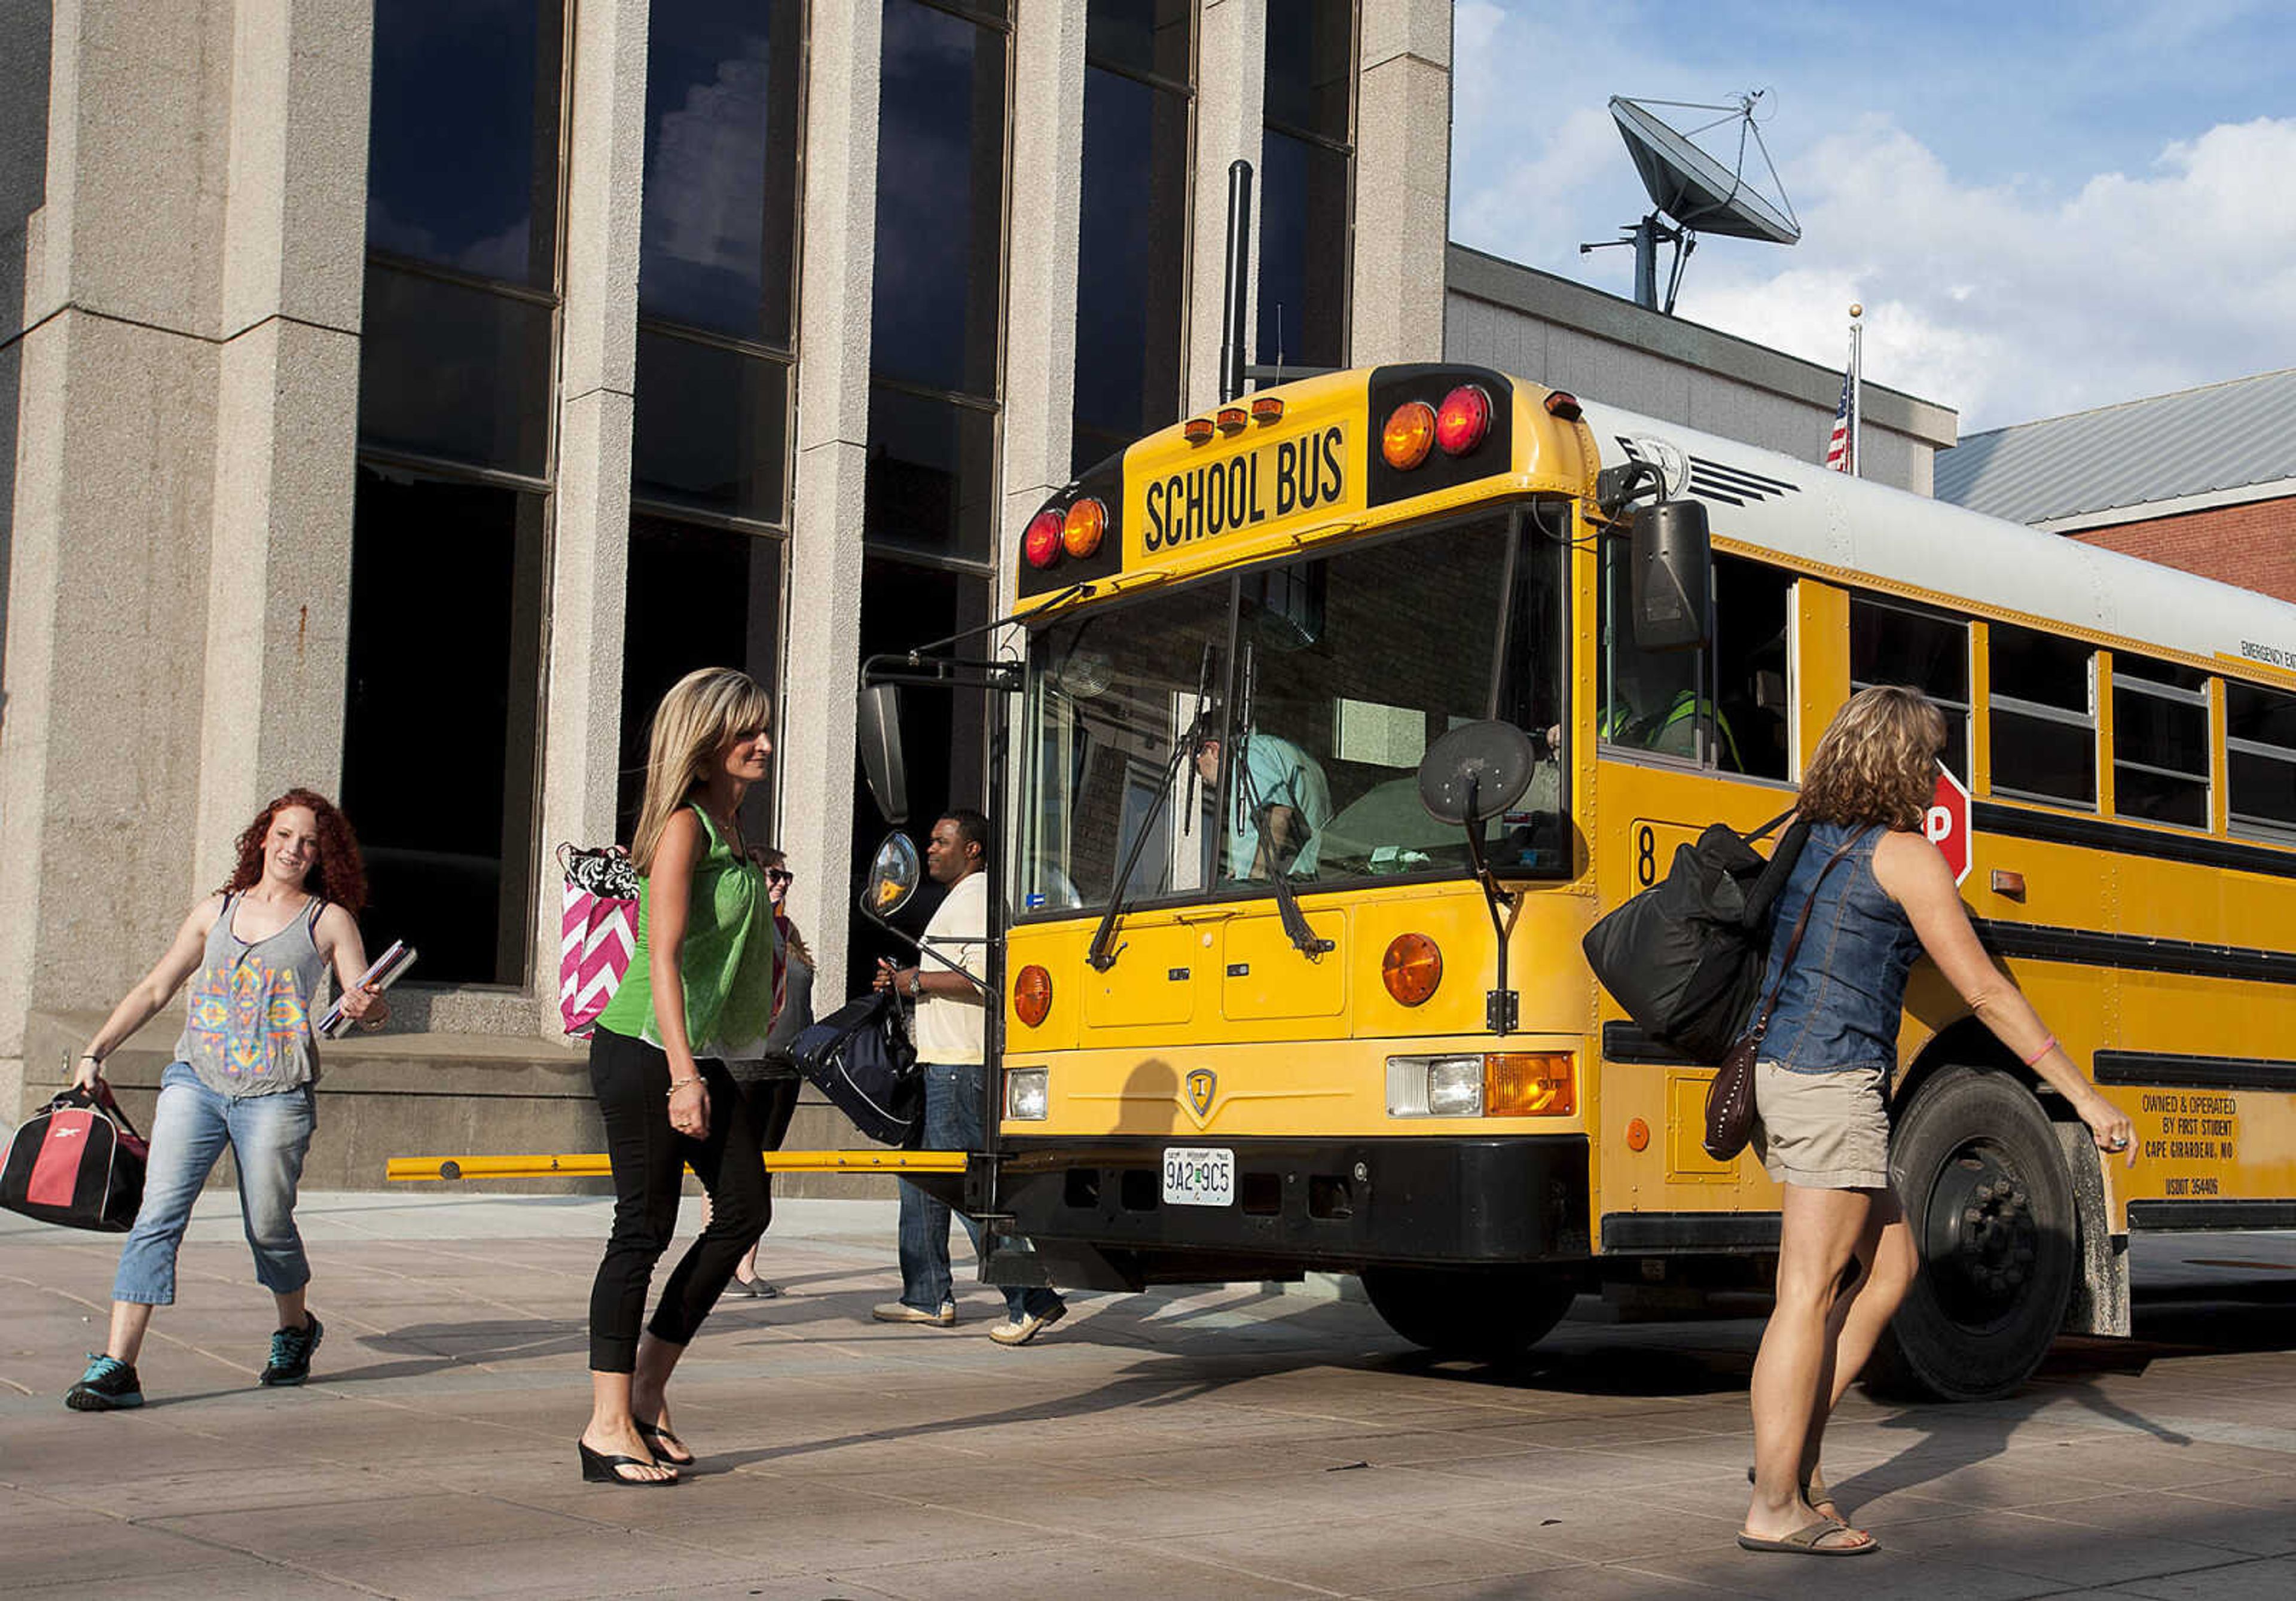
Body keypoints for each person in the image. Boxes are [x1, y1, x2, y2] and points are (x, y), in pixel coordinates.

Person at [1738, 686, 2136, 1557]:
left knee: (1891, 1266)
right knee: (1805, 1293)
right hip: (1831, 1081)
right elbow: (1987, 992)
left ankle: (1792, 1459)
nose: (1937, 772)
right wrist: (2086, 1097)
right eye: (1931, 756)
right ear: (1904, 764)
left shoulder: (1806, 834)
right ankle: (1774, 1502)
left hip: (1781, 1073)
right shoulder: (1905, 857)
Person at [63, 787, 389, 1411]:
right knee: (158, 1215)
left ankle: (295, 1328)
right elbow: (157, 985)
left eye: (310, 841)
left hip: (276, 1094)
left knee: (267, 1226)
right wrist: (95, 1049)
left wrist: (367, 1006)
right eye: (286, 834)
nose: (295, 848)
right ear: (263, 836)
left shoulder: (328, 920)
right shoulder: (217, 909)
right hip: (196, 1082)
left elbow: (365, 1005)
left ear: (323, 854)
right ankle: (118, 1365)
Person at [579, 667, 780, 1486]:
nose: (764, 744)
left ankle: (650, 1387)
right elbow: (657, 957)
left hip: (687, 1048)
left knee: (744, 1207)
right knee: (644, 1227)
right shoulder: (685, 828)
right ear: (706, 747)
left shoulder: (734, 832)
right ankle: (604, 1425)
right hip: (642, 1049)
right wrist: (684, 1076)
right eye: (746, 734)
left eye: (765, 729)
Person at [871, 809, 1068, 1346]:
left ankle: (1033, 1297)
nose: (930, 849)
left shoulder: (978, 897)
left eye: (941, 841)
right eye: (930, 841)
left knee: (966, 1189)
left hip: (962, 1064)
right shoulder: (960, 899)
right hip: (944, 1060)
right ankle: (927, 1294)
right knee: (923, 1176)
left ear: (973, 850)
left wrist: (913, 981)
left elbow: (983, 979)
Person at [719, 847, 814, 1298]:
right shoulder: (739, 927)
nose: (781, 883)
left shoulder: (788, 932)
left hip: (785, 1068)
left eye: (786, 877)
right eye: (773, 875)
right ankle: (722, 1264)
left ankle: (748, 1266)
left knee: (765, 1167)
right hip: (742, 1066)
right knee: (728, 1167)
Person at [1194, 728, 1332, 881]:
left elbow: (1278, 816)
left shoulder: (1250, 755)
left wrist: (1255, 880)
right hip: (1304, 877)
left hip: (1290, 884)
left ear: (1213, 749)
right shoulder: (1267, 752)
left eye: (1197, 768)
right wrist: (1242, 870)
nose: (1203, 779)